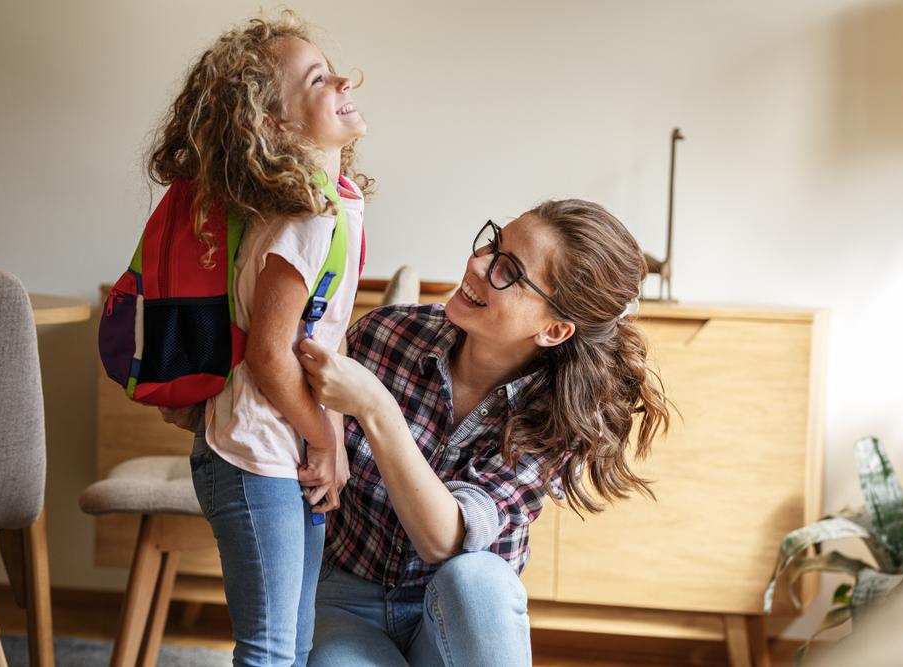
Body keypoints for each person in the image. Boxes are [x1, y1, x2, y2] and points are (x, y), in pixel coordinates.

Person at [295, 199, 671, 666]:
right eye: (493, 244)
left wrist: (375, 407)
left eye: (508, 270)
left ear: (554, 330)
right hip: (346, 596)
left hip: (458, 615)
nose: (477, 265)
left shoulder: (556, 418)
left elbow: (443, 540)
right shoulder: (386, 335)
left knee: (478, 577)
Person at [149, 12, 371, 666]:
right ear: (275, 125)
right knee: (272, 649)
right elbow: (270, 355)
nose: (341, 81)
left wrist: (320, 433)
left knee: (294, 647)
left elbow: (314, 344)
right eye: (317, 79)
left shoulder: (333, 199)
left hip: (278, 451)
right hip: (253, 454)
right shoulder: (303, 215)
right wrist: (326, 436)